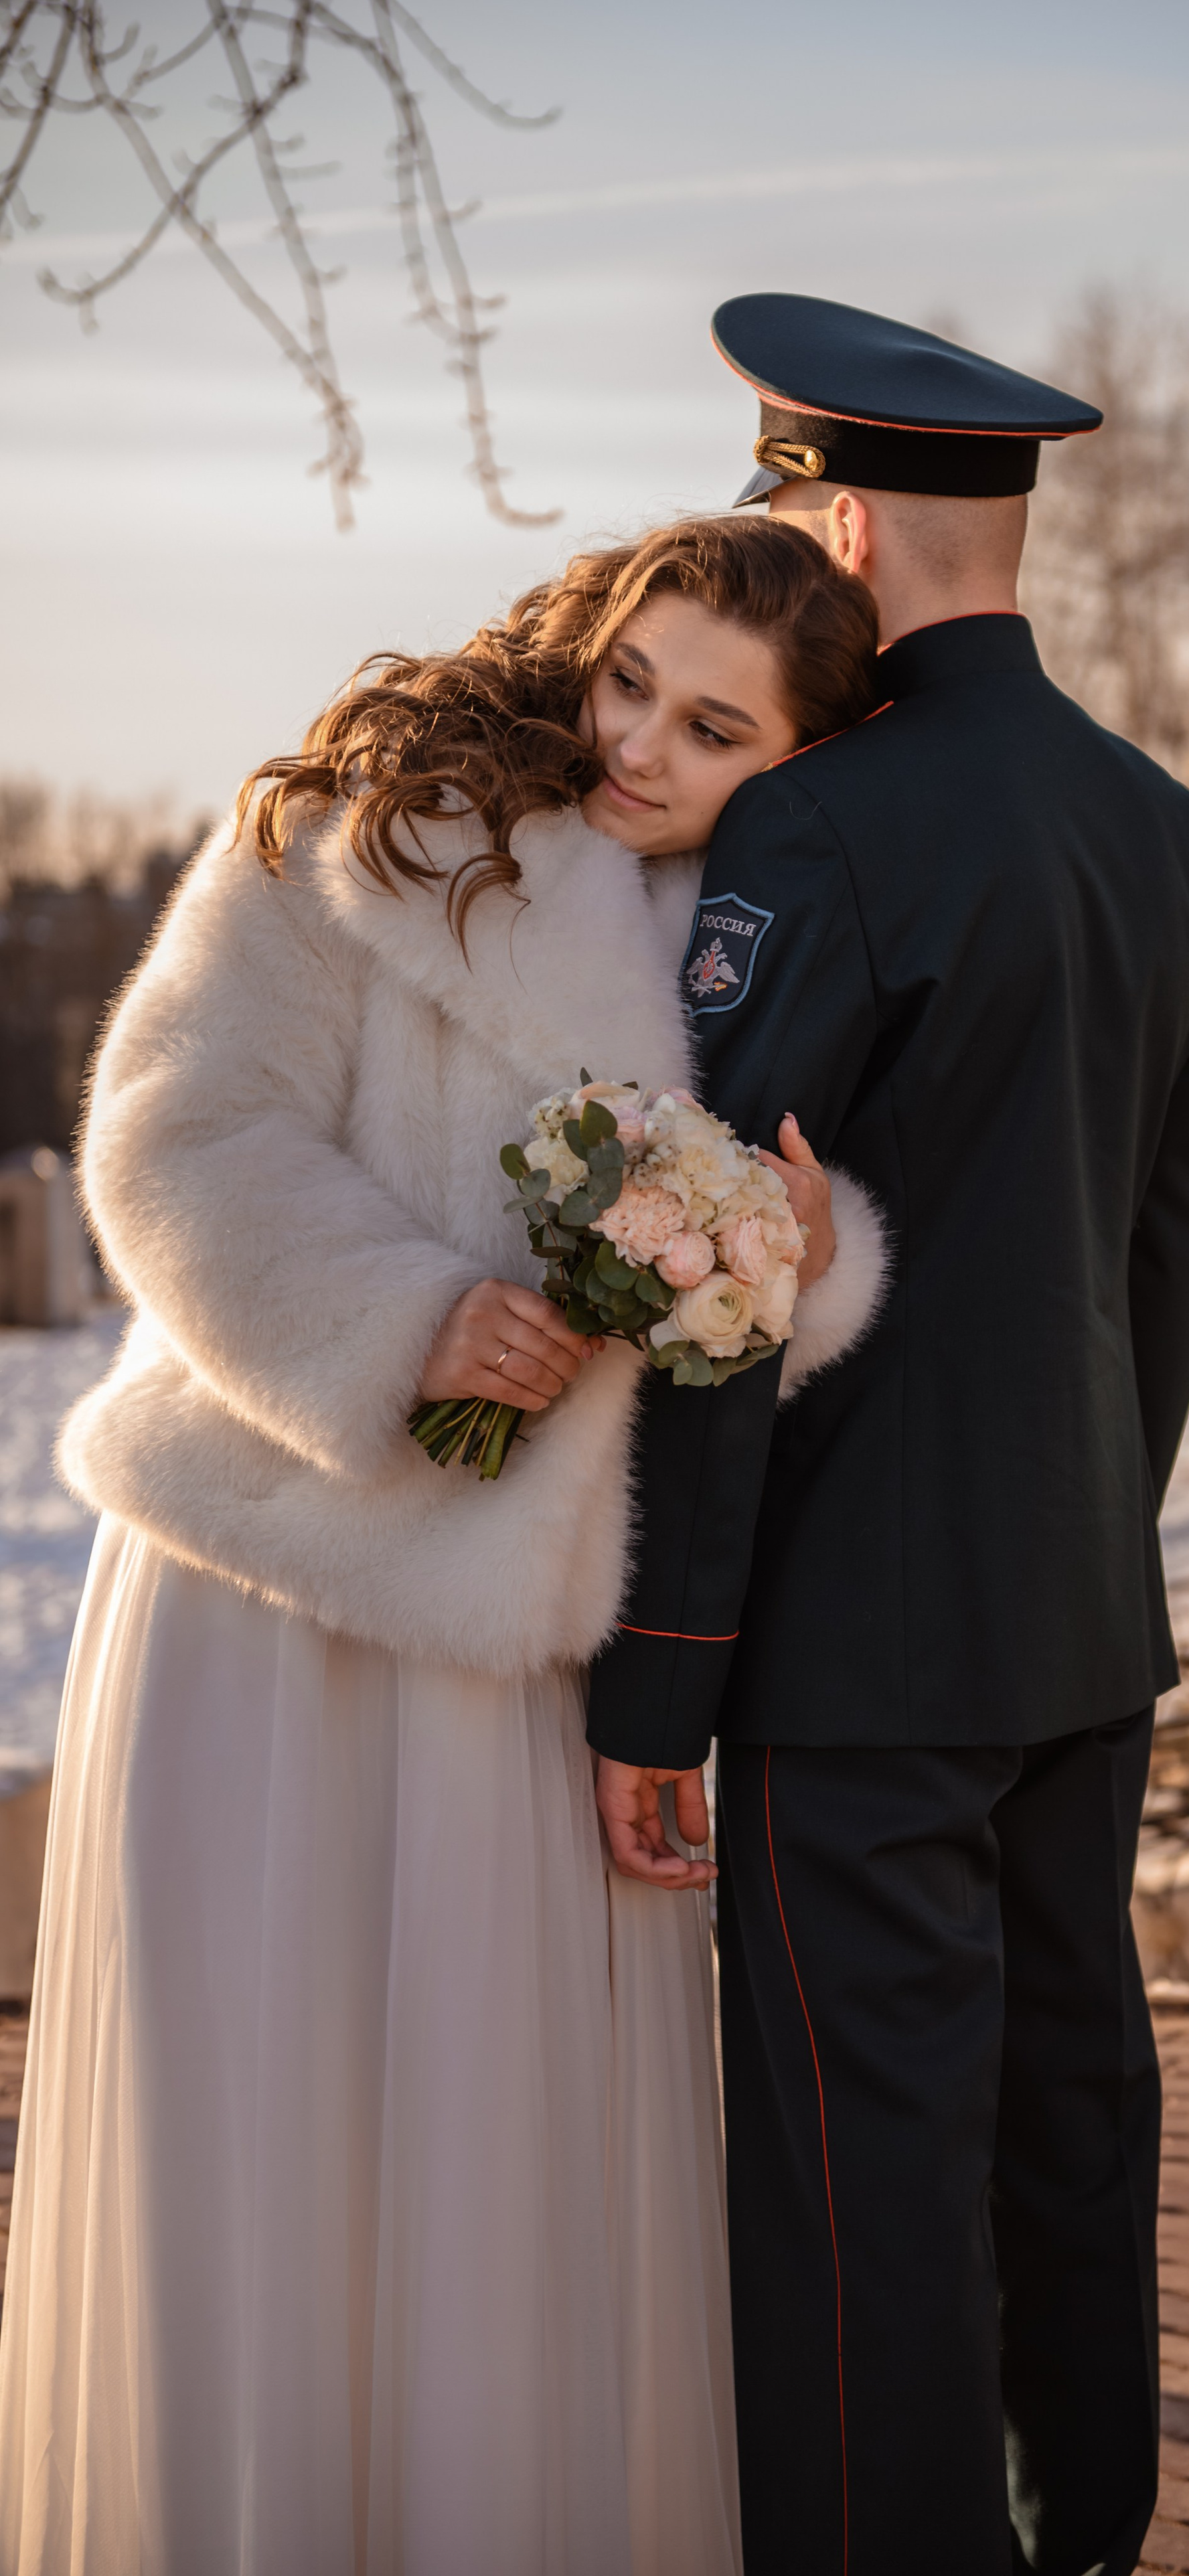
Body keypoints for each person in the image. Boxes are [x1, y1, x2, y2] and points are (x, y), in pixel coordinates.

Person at [0, 516, 890, 2576]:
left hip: (516, 1649)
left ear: (798, 759)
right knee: (262, 2139)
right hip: (267, 1585)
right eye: (632, 678)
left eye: (717, 727)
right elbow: (170, 1134)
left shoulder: (764, 931)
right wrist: (410, 1324)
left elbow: (764, 1284)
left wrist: (799, 1258)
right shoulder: (373, 827)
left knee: (495, 2168)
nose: (640, 744)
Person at [589, 297, 1189, 2576]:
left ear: (840, 529)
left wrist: (663, 1677)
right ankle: (1086, 2540)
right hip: (1079, 1616)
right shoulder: (1161, 827)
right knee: (1067, 2125)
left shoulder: (818, 824)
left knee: (865, 2192)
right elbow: (1170, 1243)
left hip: (855, 1651)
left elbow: (723, 1272)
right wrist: (1091, 1519)